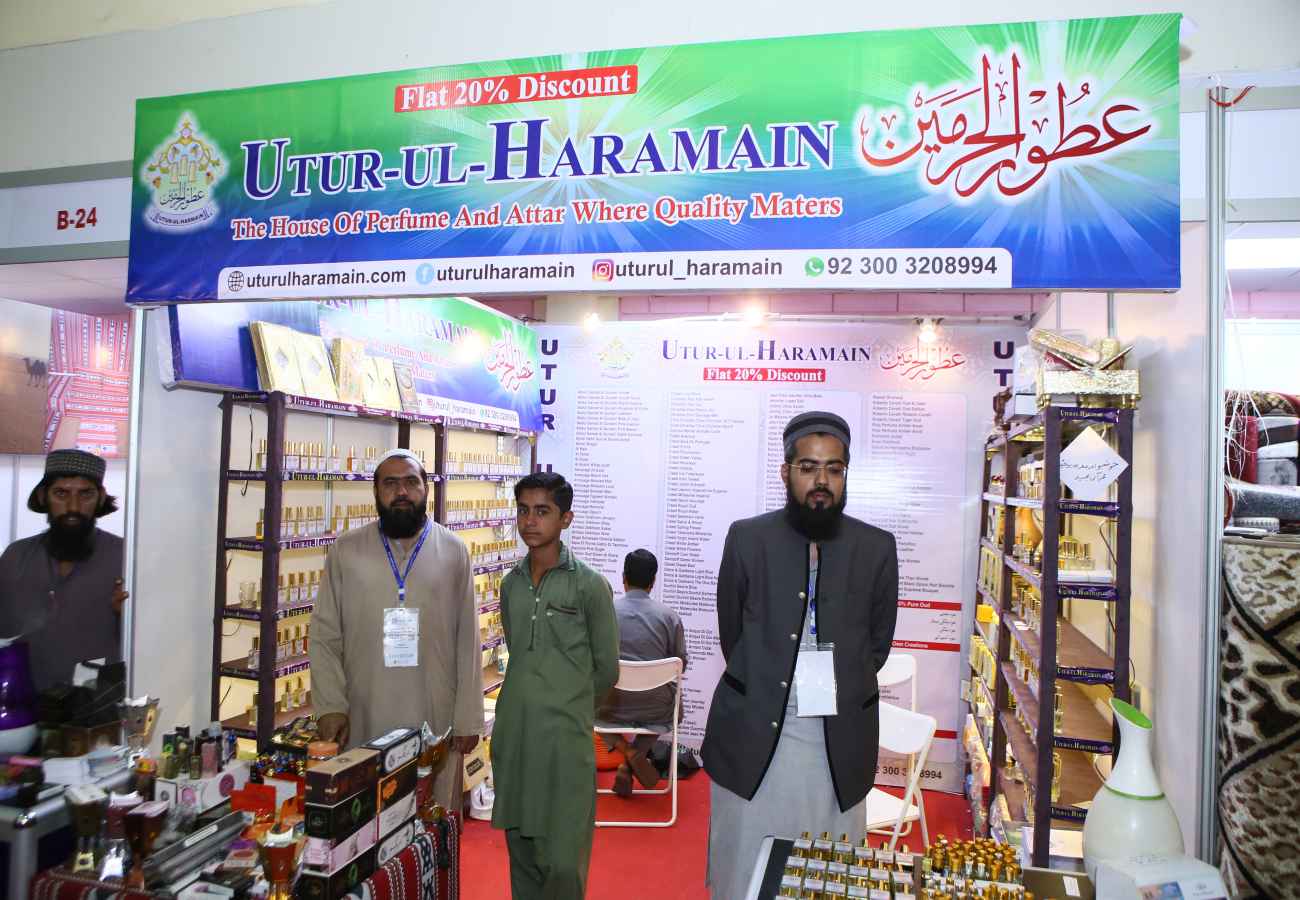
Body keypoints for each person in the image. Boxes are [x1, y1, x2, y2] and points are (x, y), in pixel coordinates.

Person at [702, 411, 899, 899]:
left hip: (836, 740)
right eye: (809, 467)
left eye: (834, 468)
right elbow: (733, 635)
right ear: (786, 471)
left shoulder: (875, 547)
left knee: (825, 873)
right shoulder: (748, 538)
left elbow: (876, 646)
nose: (821, 481)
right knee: (745, 868)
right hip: (755, 732)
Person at [309, 449, 482, 813]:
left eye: (410, 482)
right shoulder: (346, 551)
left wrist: (468, 718)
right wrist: (330, 706)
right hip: (364, 711)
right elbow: (325, 635)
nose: (401, 491)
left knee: (430, 818)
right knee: (363, 818)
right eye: (390, 483)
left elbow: (468, 639)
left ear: (426, 489)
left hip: (434, 714)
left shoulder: (454, 551)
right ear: (375, 492)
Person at [491, 471, 619, 899]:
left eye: (542, 511)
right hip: (515, 738)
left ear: (566, 518)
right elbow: (520, 653)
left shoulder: (590, 586)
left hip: (565, 743)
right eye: (523, 510)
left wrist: (567, 706)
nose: (530, 521)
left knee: (564, 862)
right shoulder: (510, 584)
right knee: (523, 854)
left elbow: (607, 670)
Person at [0, 449, 127, 692]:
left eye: (85, 494)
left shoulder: (125, 558)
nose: (73, 507)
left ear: (100, 498)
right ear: (43, 496)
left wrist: (128, 615)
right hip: (24, 703)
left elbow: (153, 641)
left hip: (99, 707)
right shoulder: (15, 557)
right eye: (61, 493)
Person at [595, 548, 687, 797]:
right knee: (675, 710)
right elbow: (681, 664)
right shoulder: (670, 617)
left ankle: (628, 754)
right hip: (656, 708)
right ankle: (633, 757)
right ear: (653, 581)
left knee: (587, 707)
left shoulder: (604, 614)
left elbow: (592, 661)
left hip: (610, 708)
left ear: (623, 577)